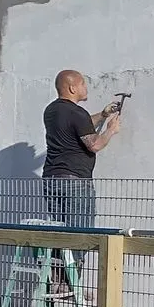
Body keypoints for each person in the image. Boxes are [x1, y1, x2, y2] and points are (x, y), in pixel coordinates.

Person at [42, 69, 122, 229]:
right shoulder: (77, 112)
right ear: (72, 88)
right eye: (82, 84)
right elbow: (94, 145)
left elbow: (79, 126)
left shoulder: (51, 110)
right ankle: (76, 255)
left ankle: (59, 255)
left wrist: (103, 114)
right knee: (80, 233)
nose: (86, 88)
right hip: (75, 181)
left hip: (51, 179)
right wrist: (111, 130)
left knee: (59, 231)